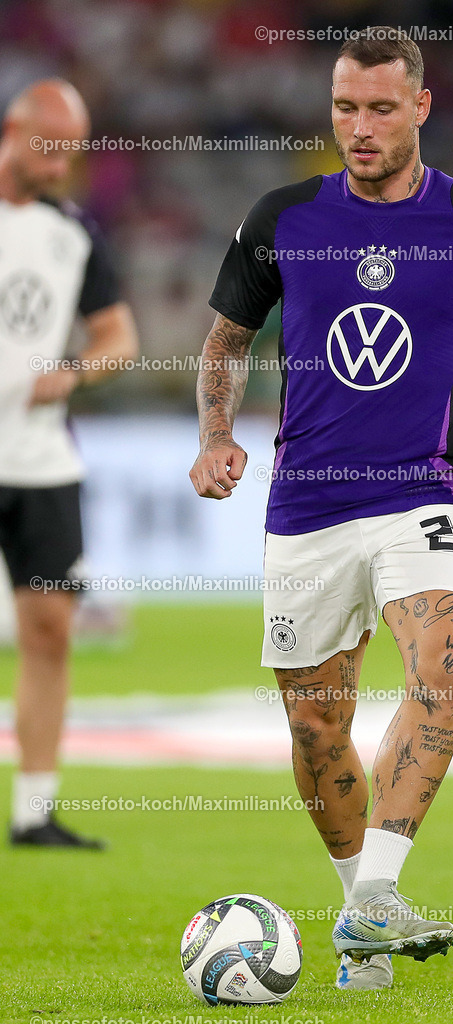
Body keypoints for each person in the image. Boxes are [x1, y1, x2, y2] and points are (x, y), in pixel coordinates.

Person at [190, 28, 453, 990]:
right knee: (317, 727)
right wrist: (216, 435)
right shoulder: (282, 218)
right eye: (344, 108)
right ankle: (361, 918)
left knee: (444, 663)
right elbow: (225, 342)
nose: (359, 128)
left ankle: (380, 894)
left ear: (420, 108)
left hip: (424, 491)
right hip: (306, 507)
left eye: (380, 109)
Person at [0, 80, 139, 847]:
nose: (59, 168)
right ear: (13, 131)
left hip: (42, 461)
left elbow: (119, 335)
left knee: (50, 628)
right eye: (49, 150)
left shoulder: (73, 233)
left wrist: (77, 371)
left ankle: (35, 810)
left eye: (70, 154)